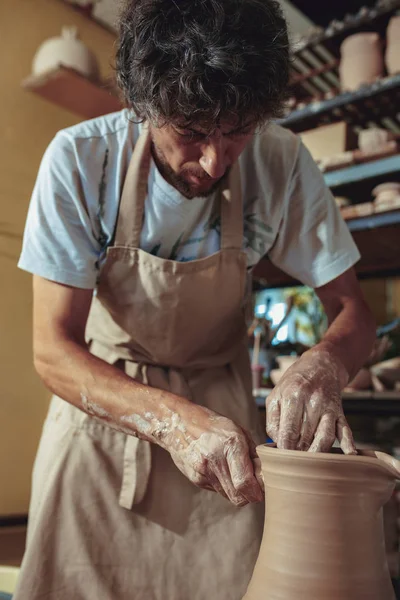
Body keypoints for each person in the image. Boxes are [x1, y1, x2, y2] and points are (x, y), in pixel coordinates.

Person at [14, 0, 375, 598]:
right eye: (192, 132)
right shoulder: (81, 161)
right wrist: (173, 421)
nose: (213, 161)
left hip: (226, 420)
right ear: (142, 106)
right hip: (105, 420)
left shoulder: (280, 163)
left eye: (236, 133)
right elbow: (53, 350)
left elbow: (354, 313)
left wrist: (325, 364)